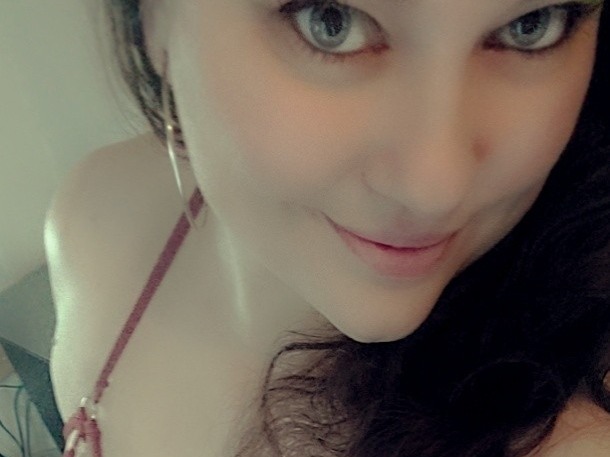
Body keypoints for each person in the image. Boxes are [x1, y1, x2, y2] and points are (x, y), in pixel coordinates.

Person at [44, 0, 610, 456]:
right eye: (330, 21)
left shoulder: (576, 432)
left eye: (531, 26)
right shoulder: (95, 214)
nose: (436, 188)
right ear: (154, 20)